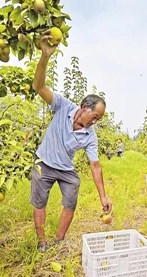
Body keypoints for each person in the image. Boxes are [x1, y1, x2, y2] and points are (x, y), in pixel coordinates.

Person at [31, 30, 112, 252]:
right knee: (40, 202)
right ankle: (42, 242)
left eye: (98, 120)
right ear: (84, 107)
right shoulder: (63, 106)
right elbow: (39, 87)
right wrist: (45, 56)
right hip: (44, 163)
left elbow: (95, 166)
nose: (94, 122)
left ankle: (59, 240)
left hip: (66, 169)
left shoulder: (90, 135)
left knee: (71, 199)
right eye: (94, 116)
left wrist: (103, 196)